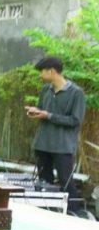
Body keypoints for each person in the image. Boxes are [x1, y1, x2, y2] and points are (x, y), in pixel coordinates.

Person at [26, 56, 86, 191]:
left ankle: (72, 205)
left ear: (51, 71)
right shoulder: (45, 90)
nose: (40, 75)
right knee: (43, 184)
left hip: (63, 147)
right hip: (42, 145)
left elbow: (75, 120)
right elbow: (42, 110)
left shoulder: (76, 93)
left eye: (42, 71)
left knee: (66, 183)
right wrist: (35, 111)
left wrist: (49, 116)